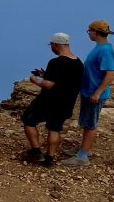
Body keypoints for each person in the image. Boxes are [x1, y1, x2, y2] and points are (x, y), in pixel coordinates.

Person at [21, 32, 84, 167]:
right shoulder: (78, 62)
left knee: (28, 120)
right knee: (54, 129)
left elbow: (48, 84)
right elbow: (65, 80)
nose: (51, 48)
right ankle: (49, 158)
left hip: (48, 101)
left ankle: (36, 151)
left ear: (55, 44)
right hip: (66, 103)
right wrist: (45, 74)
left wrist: (34, 79)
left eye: (51, 45)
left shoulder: (56, 62)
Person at [61, 20, 114, 166]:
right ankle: (83, 148)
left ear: (96, 32)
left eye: (89, 31)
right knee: (86, 123)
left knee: (91, 124)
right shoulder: (99, 48)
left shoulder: (104, 50)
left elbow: (110, 74)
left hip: (94, 94)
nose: (88, 34)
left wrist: (97, 93)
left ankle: (82, 156)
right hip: (88, 92)